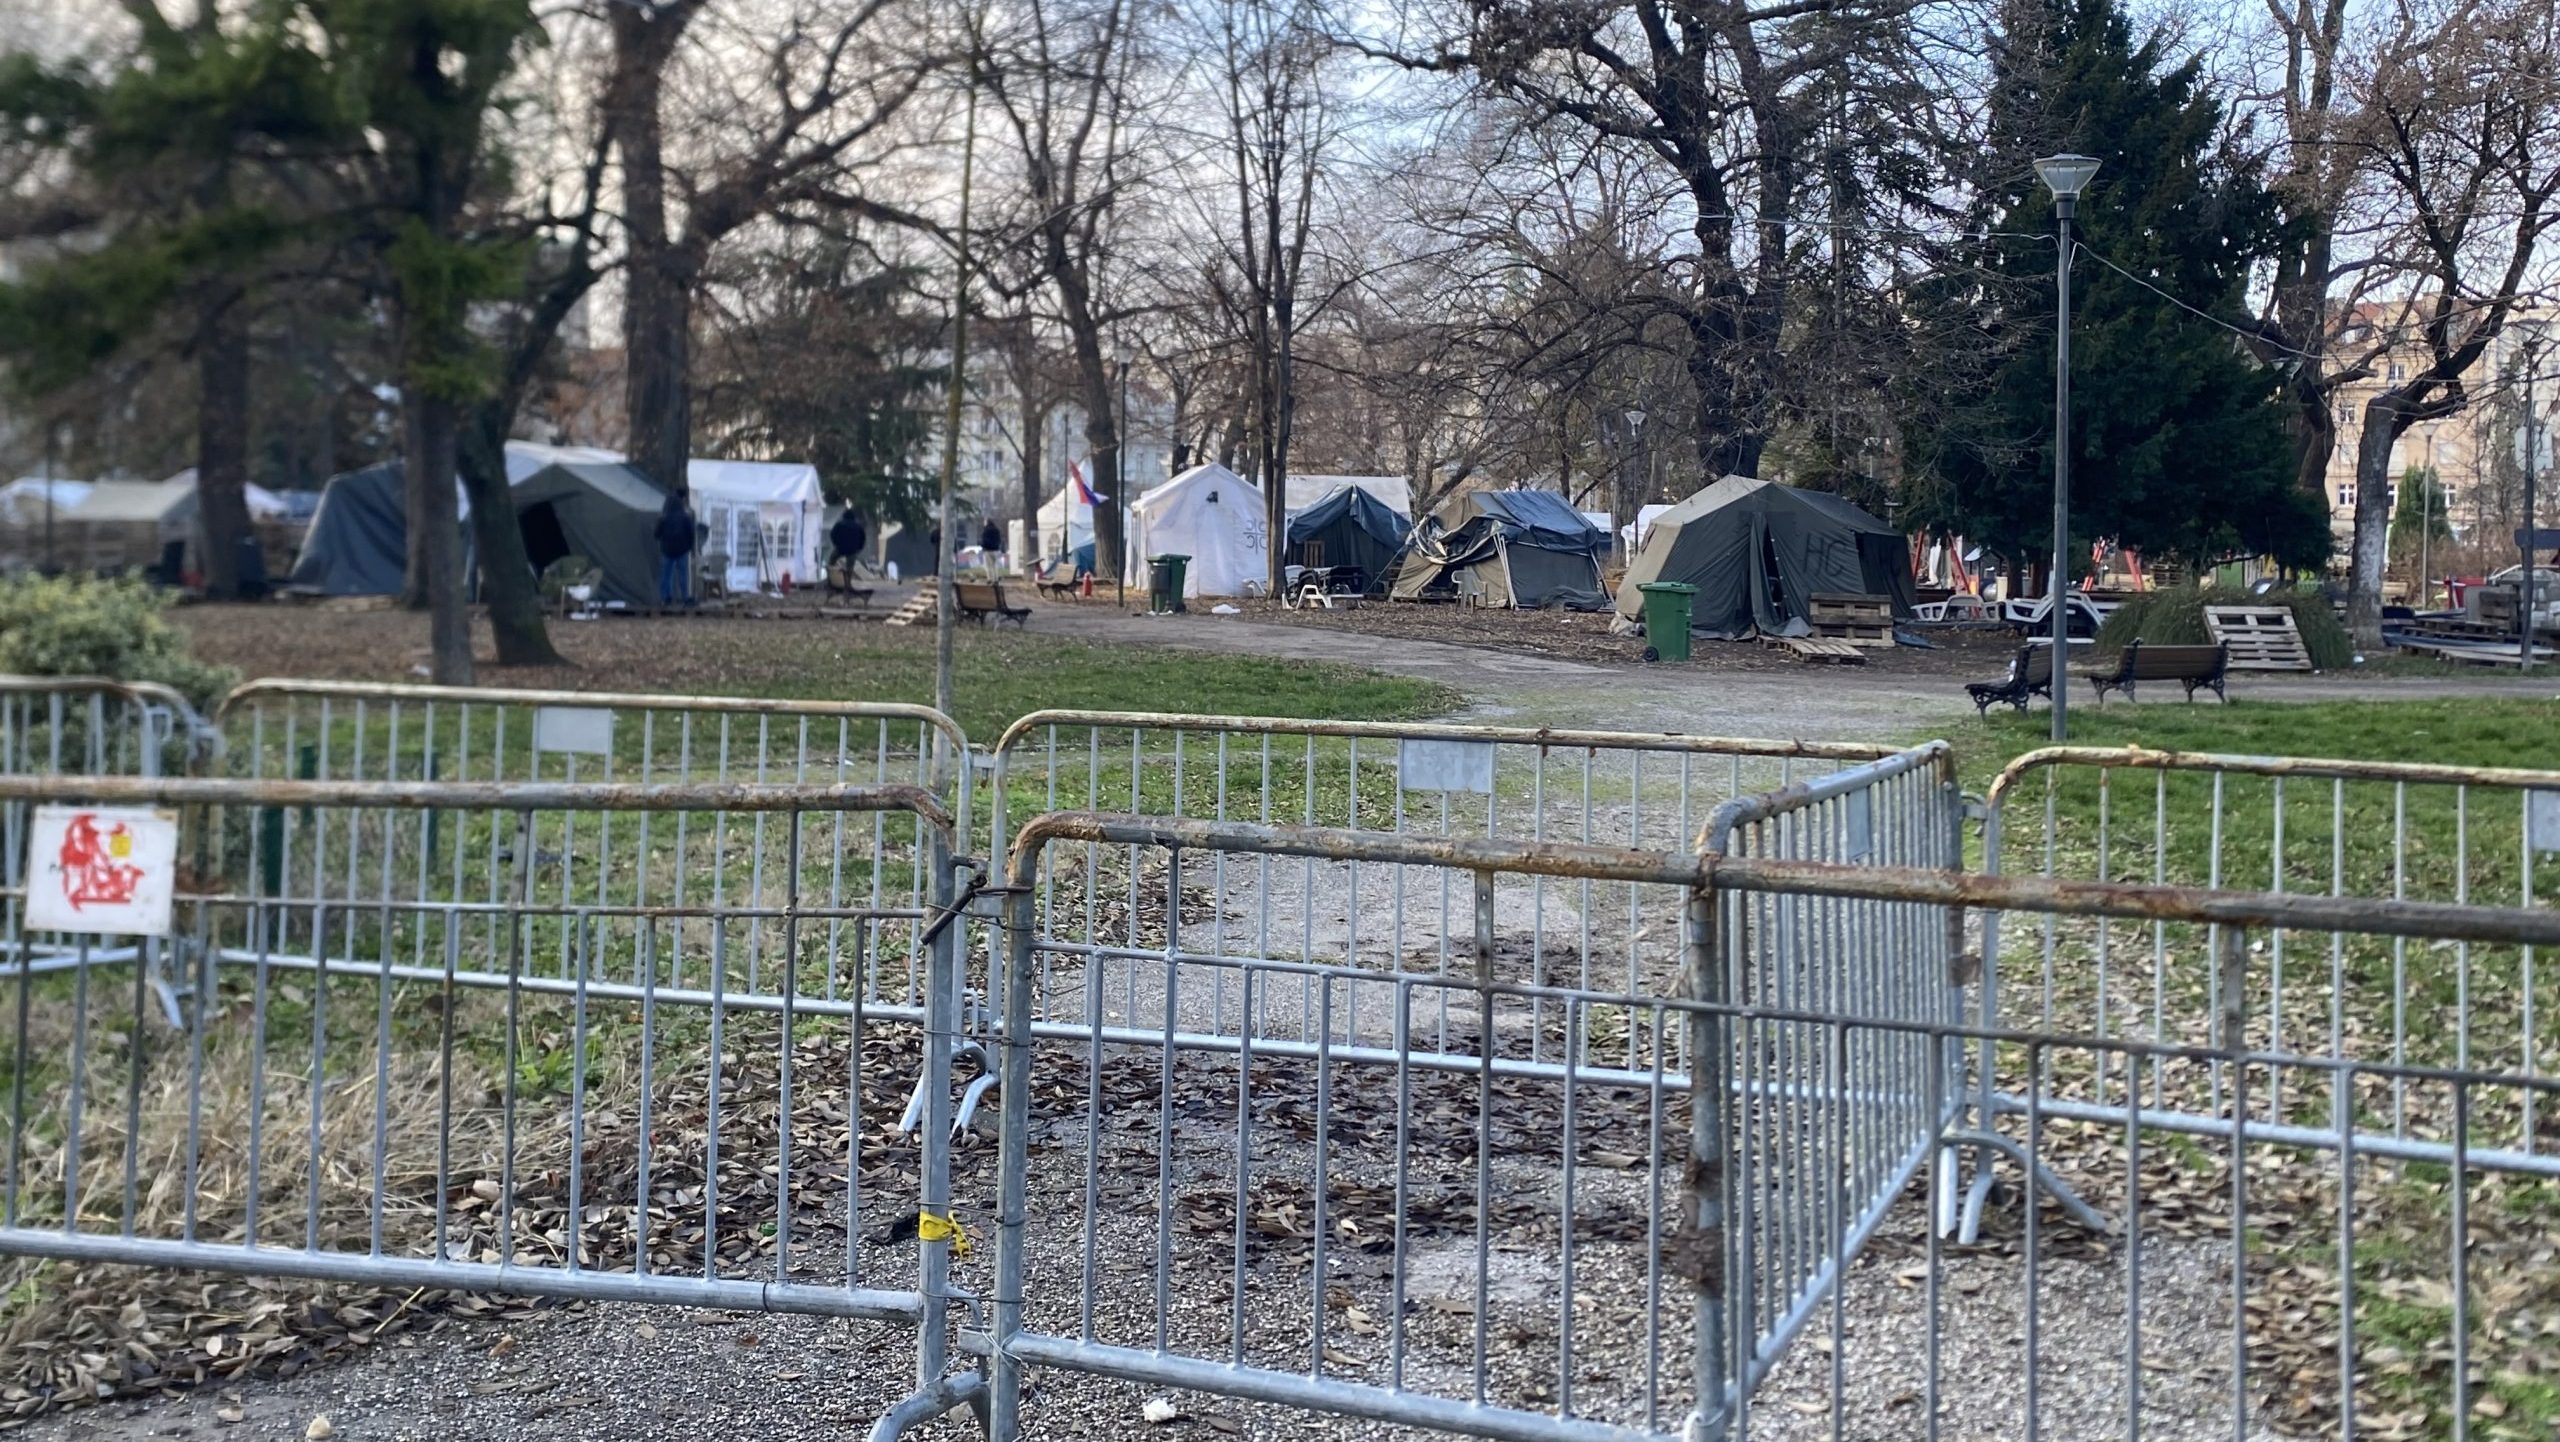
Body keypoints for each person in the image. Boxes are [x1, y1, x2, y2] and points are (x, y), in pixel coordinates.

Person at [655, 491, 697, 606]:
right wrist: (690, 548)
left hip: (667, 551)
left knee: (666, 576)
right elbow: (691, 534)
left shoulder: (663, 518)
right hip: (682, 550)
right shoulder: (685, 517)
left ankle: (665, 598)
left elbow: (656, 534)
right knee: (683, 576)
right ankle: (685, 598)